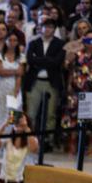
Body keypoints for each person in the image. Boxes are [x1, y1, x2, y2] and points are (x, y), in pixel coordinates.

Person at [23, 19, 65, 150]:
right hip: (35, 82)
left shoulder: (60, 44)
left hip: (51, 82)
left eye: (50, 27)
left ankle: (48, 141)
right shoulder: (33, 43)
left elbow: (57, 62)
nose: (47, 29)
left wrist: (39, 60)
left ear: (54, 29)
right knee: (31, 113)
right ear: (40, 28)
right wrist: (47, 60)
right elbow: (30, 59)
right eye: (44, 26)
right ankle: (30, 140)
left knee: (50, 114)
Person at [61, 28, 92, 152]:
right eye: (88, 39)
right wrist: (79, 42)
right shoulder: (78, 52)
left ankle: (90, 145)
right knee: (74, 115)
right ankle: (72, 143)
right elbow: (67, 62)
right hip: (77, 88)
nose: (90, 41)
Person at [0, 29, 26, 138]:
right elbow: (1, 72)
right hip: (1, 87)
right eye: (10, 40)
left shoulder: (21, 57)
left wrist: (17, 89)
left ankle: (11, 137)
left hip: (14, 88)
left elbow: (20, 73)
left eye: (15, 40)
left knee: (13, 113)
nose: (12, 42)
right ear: (6, 41)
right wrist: (15, 71)